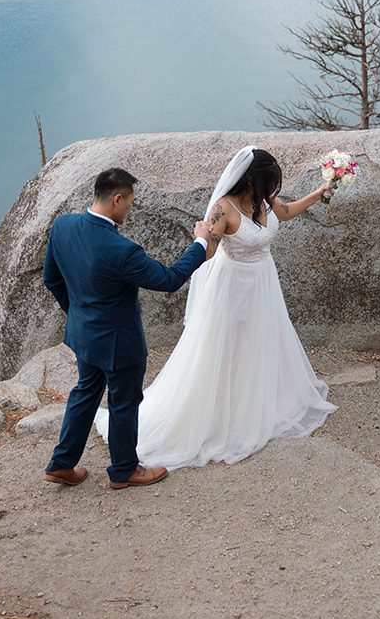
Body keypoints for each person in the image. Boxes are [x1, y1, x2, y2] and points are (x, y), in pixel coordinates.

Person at [95, 146, 337, 470]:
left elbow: (288, 210)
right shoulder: (223, 209)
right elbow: (208, 250)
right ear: (251, 180)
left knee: (260, 341)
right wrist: (202, 237)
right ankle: (223, 411)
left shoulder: (263, 200)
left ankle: (256, 400)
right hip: (233, 285)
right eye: (267, 184)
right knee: (228, 346)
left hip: (263, 281)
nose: (272, 192)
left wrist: (320, 193)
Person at [41, 167, 218, 490]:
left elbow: (51, 278)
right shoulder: (121, 250)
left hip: (84, 335)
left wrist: (78, 314)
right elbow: (168, 280)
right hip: (119, 341)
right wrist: (200, 243)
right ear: (117, 198)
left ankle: (61, 463)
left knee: (85, 392)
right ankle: (124, 470)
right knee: (124, 400)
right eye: (130, 203)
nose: (130, 210)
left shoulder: (63, 226)